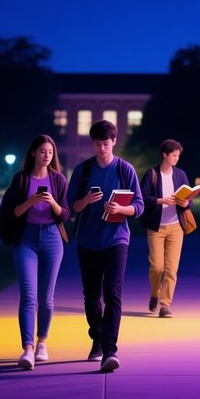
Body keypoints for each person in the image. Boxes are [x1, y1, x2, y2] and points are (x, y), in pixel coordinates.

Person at [67, 119, 143, 373]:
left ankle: (109, 349)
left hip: (117, 240)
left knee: (113, 294)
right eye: (97, 144)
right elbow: (71, 208)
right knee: (91, 297)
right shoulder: (83, 170)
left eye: (106, 144)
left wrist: (122, 208)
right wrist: (86, 200)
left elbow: (139, 207)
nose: (101, 148)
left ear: (114, 142)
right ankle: (97, 337)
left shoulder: (125, 170)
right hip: (88, 242)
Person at [0, 134, 70, 370]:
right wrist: (31, 201)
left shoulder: (58, 180)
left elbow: (66, 214)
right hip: (25, 238)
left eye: (50, 152)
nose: (46, 155)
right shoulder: (21, 180)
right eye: (42, 151)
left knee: (46, 298)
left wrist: (52, 202)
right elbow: (11, 213)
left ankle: (42, 342)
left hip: (52, 237)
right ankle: (27, 348)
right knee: (29, 295)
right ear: (33, 153)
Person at [139, 139, 194, 318]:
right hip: (156, 228)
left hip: (176, 227)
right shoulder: (152, 174)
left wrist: (186, 202)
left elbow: (189, 199)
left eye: (178, 155)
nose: (177, 158)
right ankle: (154, 294)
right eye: (174, 155)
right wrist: (161, 200)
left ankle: (165, 305)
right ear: (165, 154)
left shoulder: (180, 175)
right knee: (157, 267)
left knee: (171, 269)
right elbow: (143, 197)